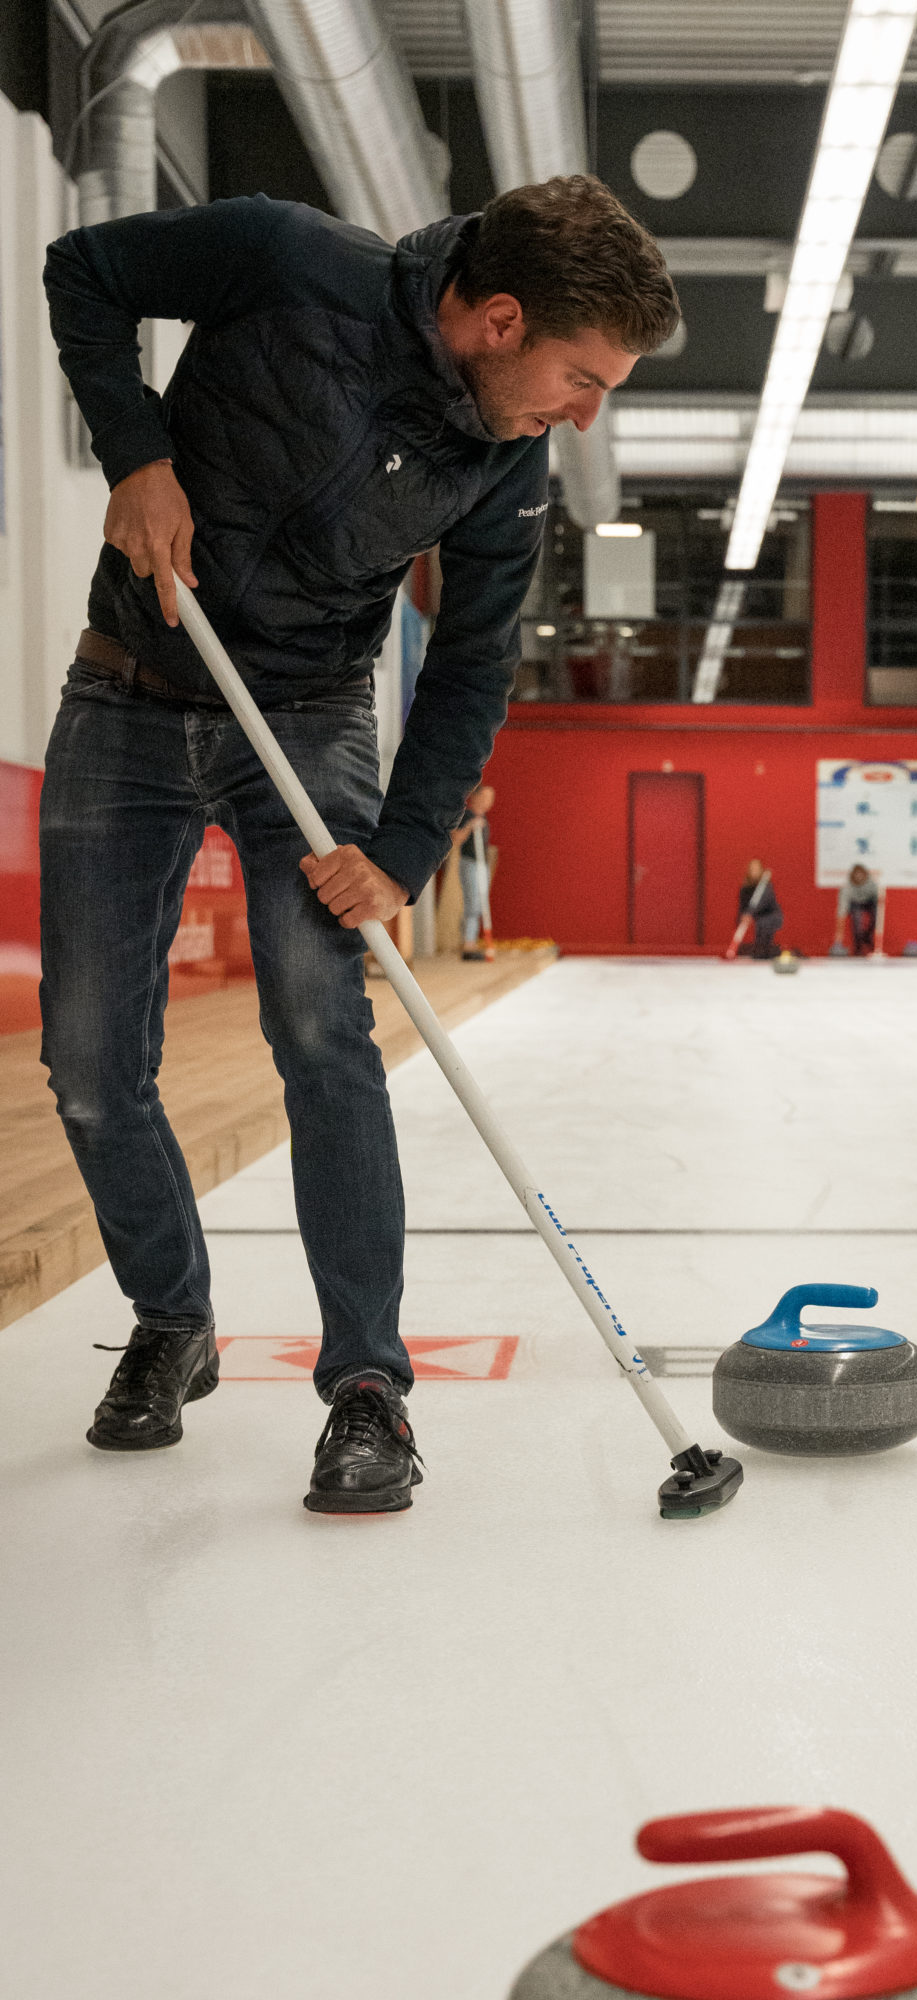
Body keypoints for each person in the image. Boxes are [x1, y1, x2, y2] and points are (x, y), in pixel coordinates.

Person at [40, 177, 678, 1512]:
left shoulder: (504, 458)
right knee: (92, 1066)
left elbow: (475, 661)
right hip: (127, 691)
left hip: (307, 714)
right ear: (499, 321)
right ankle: (170, 1323)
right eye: (581, 378)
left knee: (325, 1036)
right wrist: (136, 455)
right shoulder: (285, 260)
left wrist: (401, 849)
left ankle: (368, 1389)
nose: (584, 415)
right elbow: (83, 269)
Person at [450, 782, 497, 961]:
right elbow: (456, 839)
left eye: (491, 798)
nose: (488, 801)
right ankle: (468, 943)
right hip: (470, 863)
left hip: (482, 864)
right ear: (475, 797)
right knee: (473, 903)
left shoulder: (483, 818)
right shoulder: (467, 816)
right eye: (485, 797)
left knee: (480, 904)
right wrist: (470, 826)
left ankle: (473, 941)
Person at [735, 859, 783, 961]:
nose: (755, 872)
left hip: (771, 916)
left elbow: (762, 902)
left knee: (763, 925)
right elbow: (742, 907)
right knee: (760, 925)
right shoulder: (745, 889)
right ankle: (760, 951)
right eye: (752, 869)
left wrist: (750, 913)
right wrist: (742, 918)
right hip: (758, 918)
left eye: (757, 869)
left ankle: (766, 951)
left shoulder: (766, 887)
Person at [837, 861, 881, 956]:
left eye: (861, 874)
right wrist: (838, 937)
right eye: (856, 874)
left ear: (865, 874)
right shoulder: (847, 887)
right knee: (857, 921)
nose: (859, 877)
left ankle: (866, 936)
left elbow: (879, 899)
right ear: (852, 875)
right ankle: (858, 946)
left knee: (877, 915)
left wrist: (880, 900)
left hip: (869, 902)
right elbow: (842, 910)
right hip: (855, 904)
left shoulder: (872, 884)